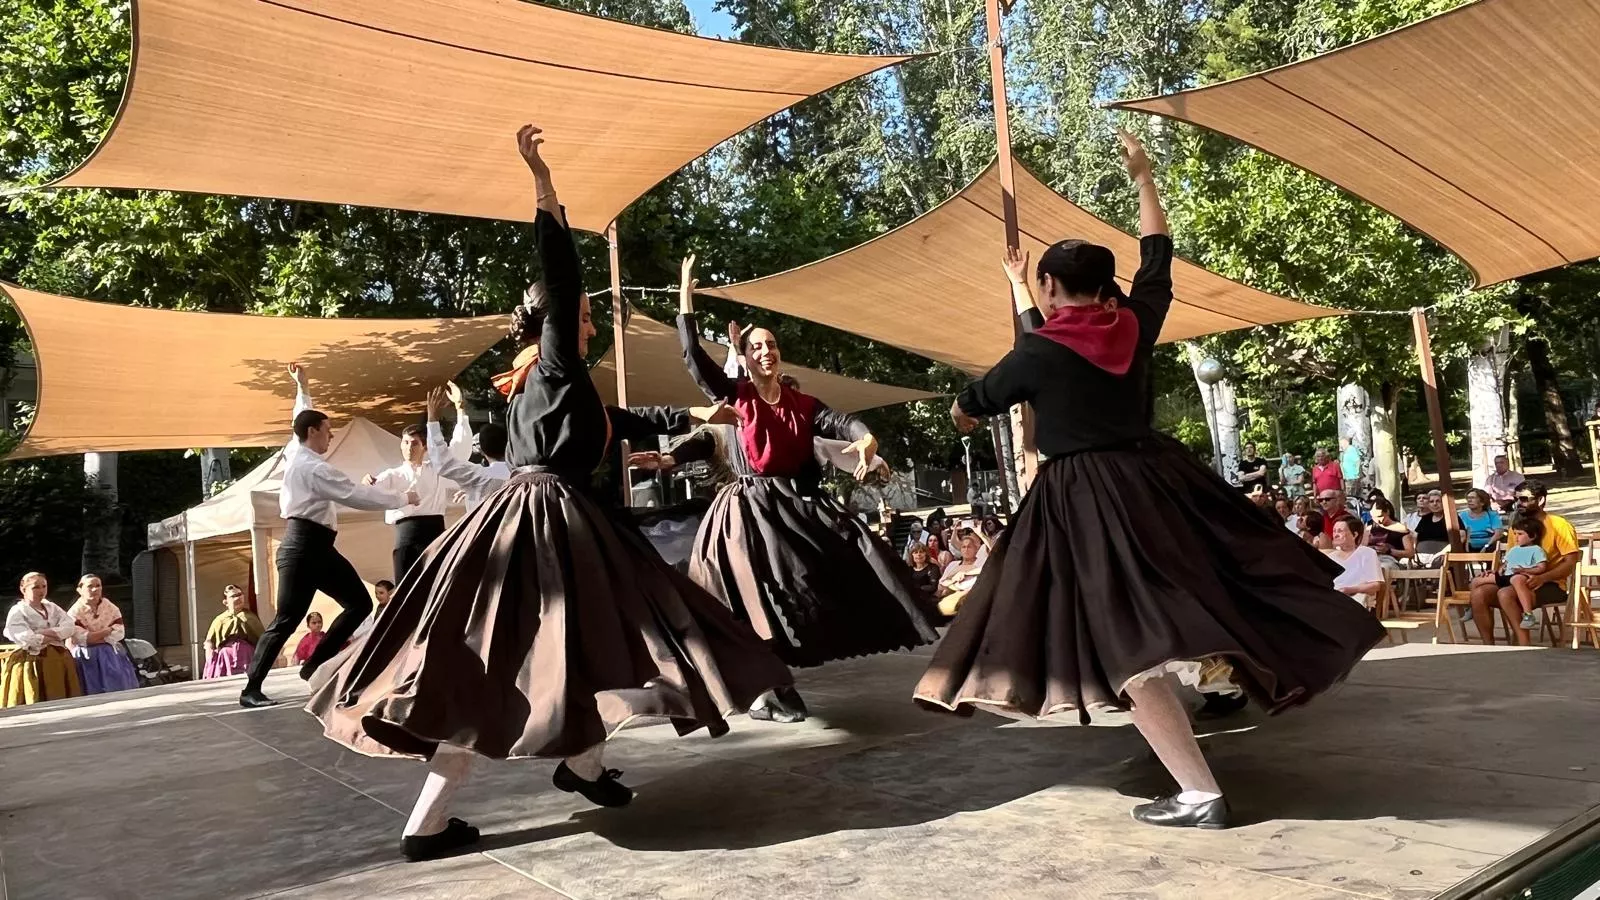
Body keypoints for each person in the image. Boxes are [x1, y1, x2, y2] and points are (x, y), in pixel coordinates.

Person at [306, 125, 790, 862]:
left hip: (540, 523)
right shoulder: (554, 363)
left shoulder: (550, 385)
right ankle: (510, 792)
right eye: (585, 315)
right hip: (545, 523)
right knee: (538, 655)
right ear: (558, 321)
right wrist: (545, 189)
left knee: (553, 654)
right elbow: (563, 282)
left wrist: (698, 415)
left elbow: (632, 420)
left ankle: (554, 775)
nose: (591, 321)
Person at [913, 130, 1383, 830]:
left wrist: (963, 409)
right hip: (1157, 481)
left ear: (1050, 287)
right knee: (1207, 588)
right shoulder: (1134, 319)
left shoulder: (1035, 355)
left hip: (1083, 501)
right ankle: (1228, 675)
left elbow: (984, 395)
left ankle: (1200, 792)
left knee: (1125, 646)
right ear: (1105, 286)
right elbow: (1155, 257)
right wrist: (1142, 179)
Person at [674, 253, 939, 724]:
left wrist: (866, 440)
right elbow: (696, 362)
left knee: (852, 551)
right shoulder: (738, 396)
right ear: (745, 356)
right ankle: (771, 687)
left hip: (796, 504)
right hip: (750, 510)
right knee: (762, 595)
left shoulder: (802, 402)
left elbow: (842, 421)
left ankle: (785, 676)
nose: (765, 352)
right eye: (756, 347)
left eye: (771, 345)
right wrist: (686, 300)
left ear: (779, 353)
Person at [240, 364, 419, 709]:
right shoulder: (312, 467)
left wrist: (302, 387)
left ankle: (314, 665)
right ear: (312, 433)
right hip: (303, 546)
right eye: (327, 431)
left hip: (318, 547)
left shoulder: (297, 451)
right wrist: (402, 498)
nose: (331, 436)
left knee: (360, 603)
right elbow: (353, 494)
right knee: (288, 619)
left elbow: (299, 417)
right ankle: (252, 688)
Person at [363, 385, 472, 584]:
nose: (408, 448)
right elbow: (369, 493)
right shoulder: (392, 474)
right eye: (405, 442)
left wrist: (460, 408)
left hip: (434, 532)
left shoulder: (437, 469)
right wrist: (366, 483)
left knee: (437, 586)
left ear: (424, 447)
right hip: (406, 536)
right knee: (404, 590)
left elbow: (459, 451)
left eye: (414, 443)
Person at [1469, 479, 1580, 646]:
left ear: (1540, 500)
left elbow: (1571, 562)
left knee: (1505, 593)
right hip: (1517, 579)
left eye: (1524, 499)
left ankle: (1523, 644)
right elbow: (1512, 558)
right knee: (1479, 593)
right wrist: (1497, 571)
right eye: (1516, 499)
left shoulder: (1559, 525)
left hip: (1552, 584)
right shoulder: (1518, 527)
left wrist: (1543, 577)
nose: (1518, 504)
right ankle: (1488, 647)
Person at [2, 573, 84, 707]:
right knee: (34, 695)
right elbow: (25, 637)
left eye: (44, 586)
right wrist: (54, 635)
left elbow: (69, 626)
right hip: (32, 660)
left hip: (58, 659)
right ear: (24, 590)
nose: (41, 591)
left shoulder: (52, 607)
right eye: (35, 587)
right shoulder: (18, 611)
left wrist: (42, 632)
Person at [67, 574, 140, 694]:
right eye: (90, 586)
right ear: (80, 590)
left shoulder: (110, 607)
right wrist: (107, 631)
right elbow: (82, 638)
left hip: (110, 653)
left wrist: (95, 637)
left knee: (118, 687)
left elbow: (120, 632)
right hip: (86, 656)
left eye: (98, 586)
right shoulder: (74, 612)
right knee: (92, 689)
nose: (95, 589)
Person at [1471, 516, 1547, 631]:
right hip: (1507, 575)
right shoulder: (1514, 550)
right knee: (1477, 580)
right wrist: (1496, 572)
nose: (1516, 537)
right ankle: (1471, 606)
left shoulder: (1536, 550)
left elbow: (1542, 568)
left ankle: (1528, 614)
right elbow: (1505, 564)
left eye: (1520, 534)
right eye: (1515, 534)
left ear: (1533, 536)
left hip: (1522, 575)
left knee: (1516, 579)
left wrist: (1525, 570)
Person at [204, 585, 265, 679]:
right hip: (225, 658)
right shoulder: (220, 619)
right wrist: (210, 661)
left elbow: (262, 639)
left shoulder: (250, 617)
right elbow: (210, 642)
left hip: (247, 656)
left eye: (240, 594)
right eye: (233, 596)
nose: (238, 598)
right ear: (225, 602)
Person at [1327, 516, 1385, 607]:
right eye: (1334, 531)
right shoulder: (1330, 557)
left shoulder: (1367, 554)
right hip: (1332, 599)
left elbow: (1375, 585)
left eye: (1340, 531)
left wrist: (1351, 590)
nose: (1336, 535)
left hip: (1356, 599)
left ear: (1354, 535)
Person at [936, 532, 985, 617]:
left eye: (969, 547)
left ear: (976, 549)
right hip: (950, 600)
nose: (966, 550)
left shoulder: (980, 563)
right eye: (963, 547)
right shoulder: (953, 564)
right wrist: (953, 579)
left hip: (971, 601)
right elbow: (940, 586)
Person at [1363, 499, 1415, 570]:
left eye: (1380, 516)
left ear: (1387, 512)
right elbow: (1362, 546)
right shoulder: (1369, 526)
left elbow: (1410, 552)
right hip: (1369, 558)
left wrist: (1389, 551)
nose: (1377, 520)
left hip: (1389, 560)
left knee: (1381, 568)